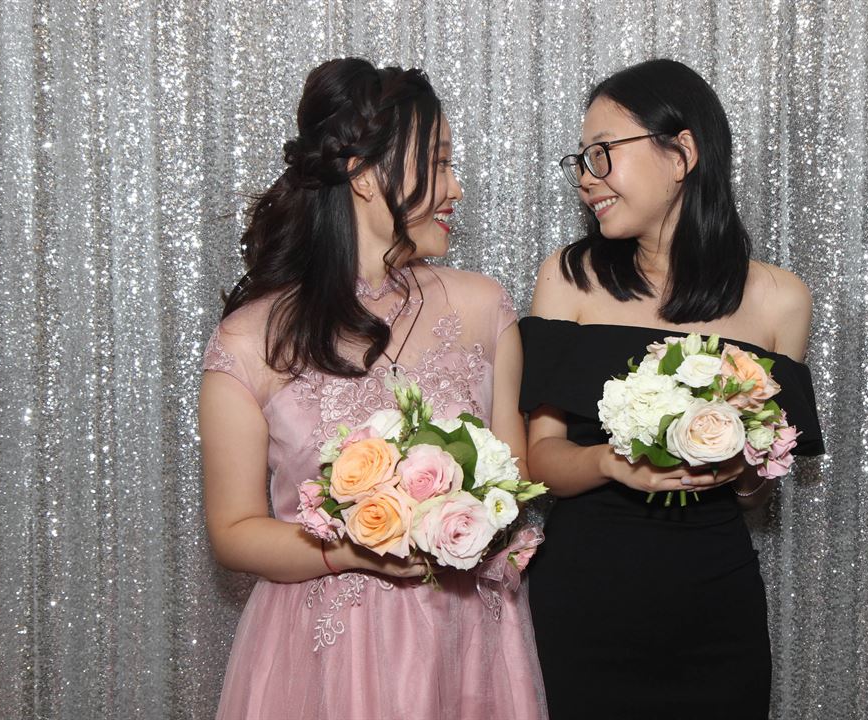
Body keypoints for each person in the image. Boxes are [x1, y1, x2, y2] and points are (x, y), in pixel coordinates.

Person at [199, 58, 546, 720]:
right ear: (362, 173)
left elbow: (516, 481)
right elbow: (234, 531)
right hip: (323, 656)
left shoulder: (484, 307)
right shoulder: (248, 342)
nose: (456, 187)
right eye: (438, 162)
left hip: (464, 639)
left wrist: (460, 515)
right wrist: (354, 548)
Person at [519, 59, 825, 719]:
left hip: (714, 603)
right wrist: (612, 463)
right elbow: (538, 460)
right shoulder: (569, 277)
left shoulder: (781, 299)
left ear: (682, 152)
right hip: (585, 597)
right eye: (581, 159)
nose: (586, 177)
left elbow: (757, 493)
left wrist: (740, 462)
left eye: (603, 153)